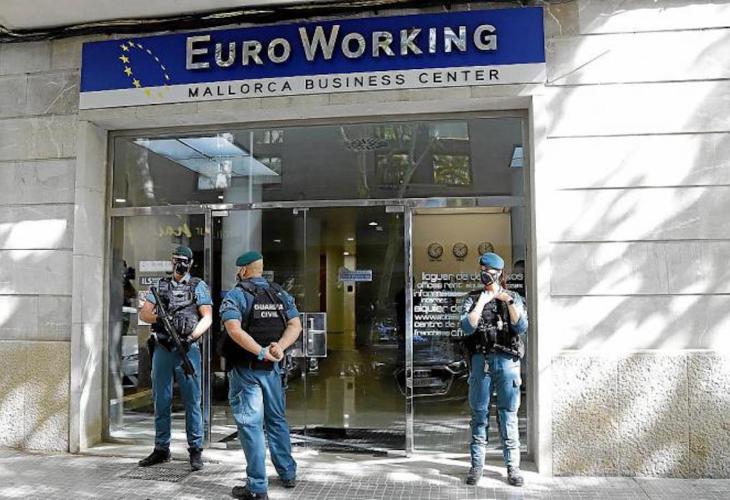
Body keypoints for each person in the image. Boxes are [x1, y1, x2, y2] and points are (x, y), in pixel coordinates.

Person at [220, 250, 302, 500]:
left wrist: (261, 352)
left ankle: (256, 487)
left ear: (243, 270)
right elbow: (295, 325)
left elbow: (233, 330)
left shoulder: (237, 294)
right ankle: (287, 473)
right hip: (273, 370)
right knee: (276, 420)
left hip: (247, 369)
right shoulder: (279, 293)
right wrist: (279, 347)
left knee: (251, 425)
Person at [137, 246, 213, 471]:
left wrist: (191, 337)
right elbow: (144, 313)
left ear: (190, 263)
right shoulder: (160, 285)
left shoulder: (198, 286)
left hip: (187, 349)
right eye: (176, 260)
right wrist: (162, 317)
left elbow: (207, 317)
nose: (179, 264)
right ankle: (161, 448)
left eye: (183, 260)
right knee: (161, 400)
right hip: (163, 347)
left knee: (192, 401)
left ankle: (195, 449)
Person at [460, 252, 528, 487]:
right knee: (479, 414)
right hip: (481, 362)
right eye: (482, 270)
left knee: (508, 414)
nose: (484, 275)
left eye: (488, 271)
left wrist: (506, 300)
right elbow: (467, 327)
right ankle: (477, 466)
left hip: (507, 362)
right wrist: (482, 301)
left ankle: (513, 468)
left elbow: (521, 326)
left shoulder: (513, 297)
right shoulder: (472, 299)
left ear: (499, 273)